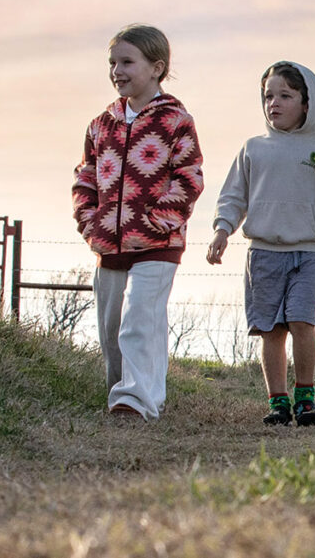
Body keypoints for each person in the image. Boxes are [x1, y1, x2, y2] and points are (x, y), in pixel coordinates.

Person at [207, 61, 315, 427]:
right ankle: (278, 402)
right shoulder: (254, 148)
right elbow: (233, 196)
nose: (274, 104)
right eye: (268, 96)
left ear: (307, 103)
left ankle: (306, 399)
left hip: (308, 252)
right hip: (263, 253)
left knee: (301, 320)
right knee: (271, 330)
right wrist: (222, 229)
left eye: (285, 95)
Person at [73, 24, 204, 421]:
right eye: (112, 63)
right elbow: (85, 176)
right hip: (107, 246)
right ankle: (123, 393)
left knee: (140, 320)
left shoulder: (176, 121)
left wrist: (155, 223)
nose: (117, 71)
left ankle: (136, 402)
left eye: (127, 62)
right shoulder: (100, 125)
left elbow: (189, 178)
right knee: (112, 330)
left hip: (157, 245)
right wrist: (89, 222)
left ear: (156, 67)